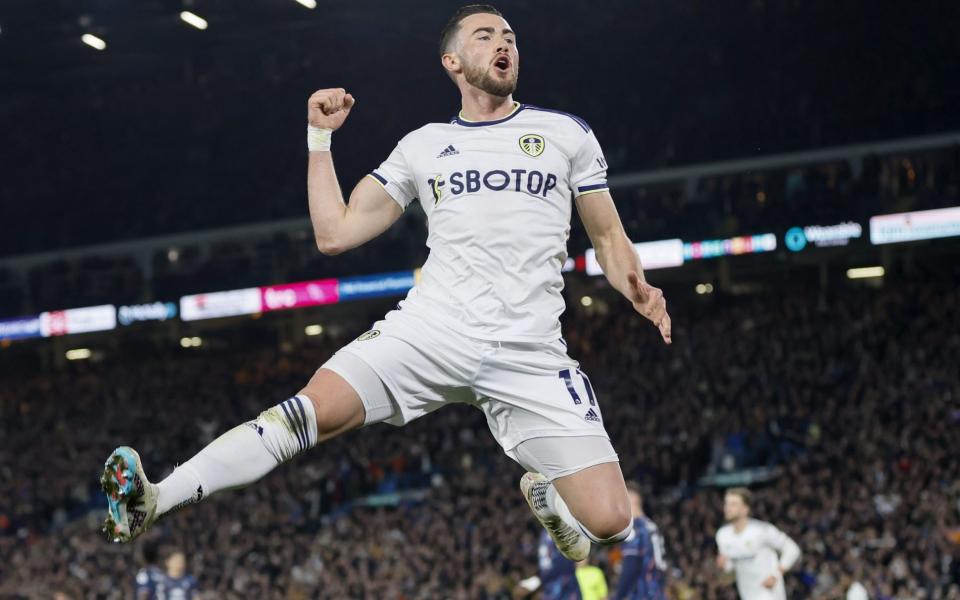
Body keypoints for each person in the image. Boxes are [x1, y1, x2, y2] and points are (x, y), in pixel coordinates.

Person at [100, 4, 671, 567]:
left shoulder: (565, 134)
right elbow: (335, 234)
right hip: (430, 331)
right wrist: (319, 139)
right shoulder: (422, 145)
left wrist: (638, 288)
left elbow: (608, 235)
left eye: (510, 36)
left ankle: (558, 515)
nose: (503, 43)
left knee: (612, 523)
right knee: (306, 412)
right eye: (485, 35)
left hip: (530, 352)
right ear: (452, 61)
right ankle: (154, 500)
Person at [715, 488, 801, 600]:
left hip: (770, 594)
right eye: (726, 503)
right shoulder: (722, 535)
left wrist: (776, 574)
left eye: (733, 504)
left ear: (745, 509)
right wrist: (723, 566)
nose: (728, 508)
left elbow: (792, 549)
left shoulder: (762, 530)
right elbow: (730, 569)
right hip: (747, 594)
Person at [613, 483, 667, 600]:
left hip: (642, 594)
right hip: (658, 593)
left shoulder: (634, 529)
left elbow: (630, 567)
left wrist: (617, 597)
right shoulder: (652, 526)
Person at [515, 531, 583, 599]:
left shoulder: (562, 528)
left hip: (565, 587)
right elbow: (546, 566)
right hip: (550, 589)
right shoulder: (544, 534)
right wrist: (535, 581)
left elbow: (577, 555)